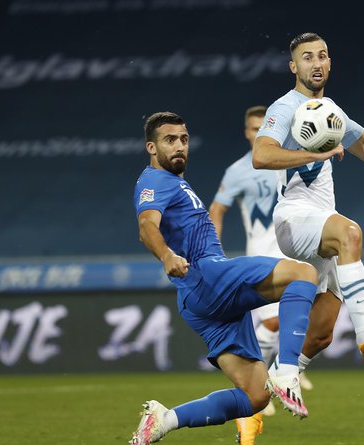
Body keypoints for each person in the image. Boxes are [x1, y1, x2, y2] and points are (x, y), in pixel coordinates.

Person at [130, 111, 318, 445]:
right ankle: (288, 370)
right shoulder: (153, 182)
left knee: (256, 396)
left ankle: (165, 419)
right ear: (151, 147)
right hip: (207, 274)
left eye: (184, 139)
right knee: (302, 273)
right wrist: (166, 255)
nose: (179, 146)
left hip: (197, 300)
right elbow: (147, 227)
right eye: (169, 140)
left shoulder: (174, 183)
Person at [252, 32, 364, 376]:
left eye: (322, 56)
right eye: (307, 57)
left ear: (330, 62)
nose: (316, 63)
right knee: (350, 234)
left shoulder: (329, 111)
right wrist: (313, 153)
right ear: (294, 66)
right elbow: (260, 155)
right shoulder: (285, 107)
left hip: (321, 222)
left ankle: (275, 382)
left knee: (321, 335)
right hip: (293, 218)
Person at [209, 105, 313, 443]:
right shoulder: (238, 170)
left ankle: (266, 384)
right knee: (272, 322)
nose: (257, 134)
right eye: (252, 129)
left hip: (293, 249)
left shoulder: (286, 157)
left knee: (292, 319)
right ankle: (270, 382)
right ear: (246, 132)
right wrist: (213, 251)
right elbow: (217, 208)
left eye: (262, 128)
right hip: (261, 255)